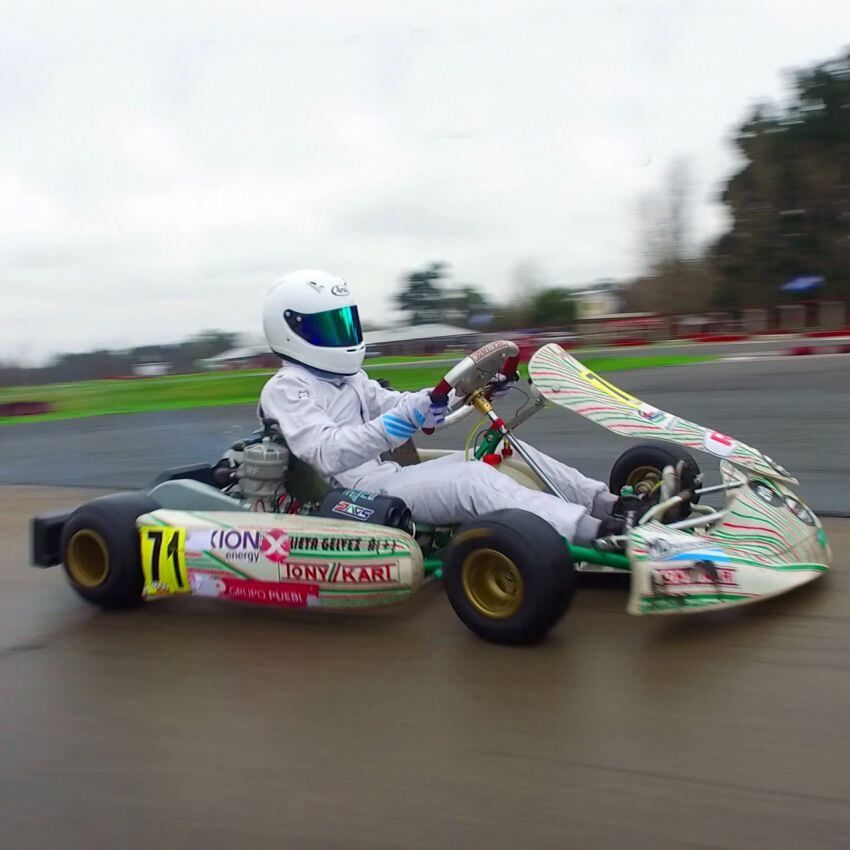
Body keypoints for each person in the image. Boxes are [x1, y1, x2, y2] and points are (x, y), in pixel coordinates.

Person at [258, 269, 640, 545]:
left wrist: (464, 391)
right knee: (472, 482)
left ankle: (607, 503)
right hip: (352, 496)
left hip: (386, 478)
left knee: (502, 455)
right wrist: (403, 419)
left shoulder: (349, 379)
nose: (342, 336)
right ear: (292, 331)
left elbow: (398, 405)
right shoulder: (288, 390)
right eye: (328, 328)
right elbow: (327, 453)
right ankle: (594, 534)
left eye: (344, 324)